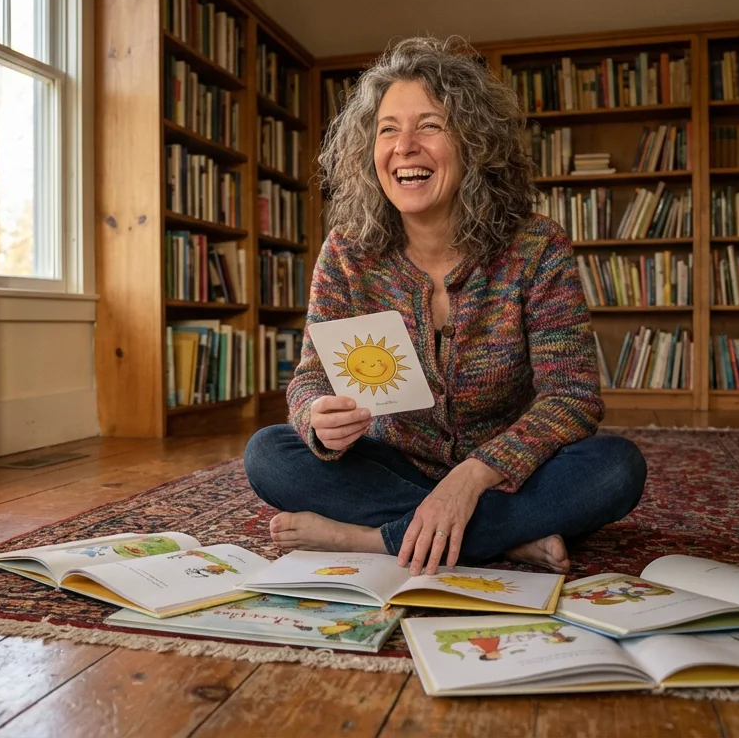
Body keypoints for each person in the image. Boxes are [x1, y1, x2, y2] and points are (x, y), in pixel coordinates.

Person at [243, 36, 647, 576]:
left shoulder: (536, 247)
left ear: (473, 143)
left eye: (429, 125)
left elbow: (571, 397)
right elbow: (312, 378)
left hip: (507, 470)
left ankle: (368, 539)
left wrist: (474, 474)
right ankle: (502, 536)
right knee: (269, 454)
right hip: (392, 463)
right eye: (388, 129)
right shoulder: (347, 251)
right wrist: (317, 417)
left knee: (616, 469)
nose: (405, 146)